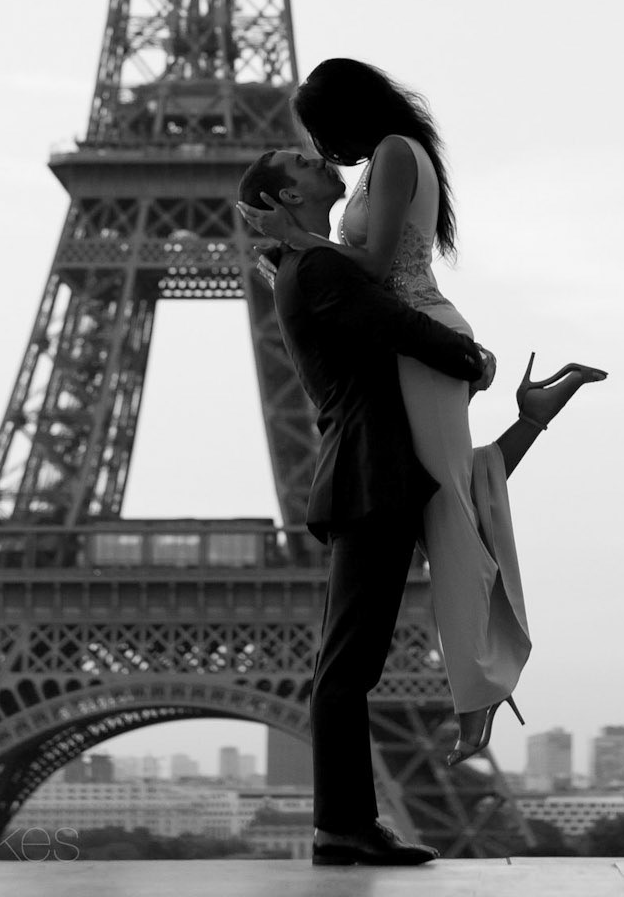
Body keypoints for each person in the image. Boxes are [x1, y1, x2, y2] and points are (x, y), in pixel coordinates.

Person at [282, 57, 606, 765]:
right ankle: (535, 417)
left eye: (324, 131)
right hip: (414, 342)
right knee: (448, 493)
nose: (322, 149)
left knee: (447, 511)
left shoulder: (397, 153)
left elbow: (368, 272)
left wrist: (295, 237)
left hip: (423, 338)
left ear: (349, 114)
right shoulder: (385, 160)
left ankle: (478, 693)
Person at [237, 147, 487, 868]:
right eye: (299, 160)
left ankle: (342, 825)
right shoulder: (315, 267)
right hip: (369, 474)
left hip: (368, 471)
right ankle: (342, 825)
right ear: (286, 192)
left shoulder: (306, 262)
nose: (317, 158)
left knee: (350, 663)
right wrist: (473, 360)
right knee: (347, 666)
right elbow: (398, 325)